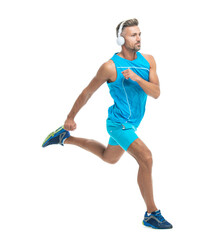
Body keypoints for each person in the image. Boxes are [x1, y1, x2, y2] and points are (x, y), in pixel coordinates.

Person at [42, 18, 172, 229]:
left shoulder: (149, 60)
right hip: (118, 124)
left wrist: (138, 79)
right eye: (132, 35)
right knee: (146, 158)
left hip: (131, 124)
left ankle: (65, 138)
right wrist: (70, 117)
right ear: (121, 39)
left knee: (108, 157)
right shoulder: (110, 66)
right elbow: (88, 92)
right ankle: (151, 213)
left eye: (139, 34)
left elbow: (156, 93)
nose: (138, 38)